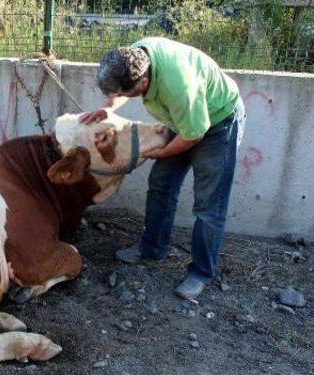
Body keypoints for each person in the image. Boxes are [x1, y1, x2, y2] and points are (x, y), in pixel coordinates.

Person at [80, 37, 246, 300]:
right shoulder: (132, 57)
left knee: (208, 205)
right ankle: (152, 248)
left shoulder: (179, 86)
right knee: (161, 185)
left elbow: (194, 133)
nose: (121, 97)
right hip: (182, 120)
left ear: (143, 82)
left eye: (123, 93)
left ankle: (200, 272)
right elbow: (125, 90)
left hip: (216, 123)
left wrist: (160, 152)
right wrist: (106, 108)